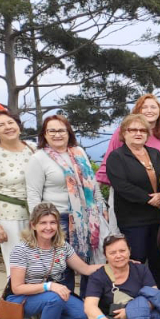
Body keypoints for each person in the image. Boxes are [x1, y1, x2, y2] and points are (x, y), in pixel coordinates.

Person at [5, 203, 100, 319]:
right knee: (54, 297)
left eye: (52, 222)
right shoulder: (21, 250)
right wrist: (48, 286)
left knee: (84, 315)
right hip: (22, 298)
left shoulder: (62, 246)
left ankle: (45, 316)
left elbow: (86, 269)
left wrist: (117, 265)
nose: (48, 227)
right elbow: (17, 288)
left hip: (50, 295)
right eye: (43, 223)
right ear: (33, 225)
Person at [25, 114, 108, 267]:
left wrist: (102, 207)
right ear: (45, 134)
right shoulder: (38, 158)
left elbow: (92, 183)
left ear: (68, 132)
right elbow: (33, 195)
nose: (57, 135)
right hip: (59, 219)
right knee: (62, 267)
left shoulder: (79, 152)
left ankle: (89, 292)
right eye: (52, 131)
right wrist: (38, 224)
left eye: (61, 130)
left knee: (91, 265)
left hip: (89, 217)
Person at [104, 113, 160, 286]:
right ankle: (133, 295)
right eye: (133, 130)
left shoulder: (155, 154)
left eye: (142, 130)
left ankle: (158, 295)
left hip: (158, 216)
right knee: (136, 258)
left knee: (158, 260)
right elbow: (121, 185)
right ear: (124, 133)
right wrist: (148, 199)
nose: (138, 133)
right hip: (133, 218)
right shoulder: (117, 157)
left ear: (147, 134)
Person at [94, 94, 160, 211]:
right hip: (127, 195)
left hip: (158, 196)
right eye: (144, 107)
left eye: (153, 107)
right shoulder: (123, 131)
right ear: (137, 111)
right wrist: (95, 192)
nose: (149, 110)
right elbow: (109, 160)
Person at [0, 110, 35, 266]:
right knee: (18, 268)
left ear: (18, 126)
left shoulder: (32, 148)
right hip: (10, 219)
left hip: (37, 217)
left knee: (38, 266)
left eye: (11, 122)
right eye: (1, 125)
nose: (8, 127)